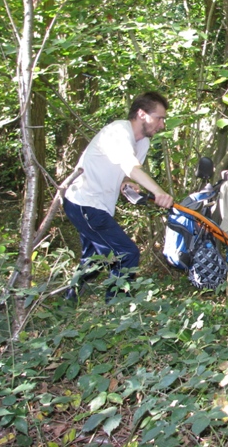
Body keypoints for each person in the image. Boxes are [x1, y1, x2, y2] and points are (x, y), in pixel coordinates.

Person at [63, 91, 174, 302]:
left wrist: (125, 184)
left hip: (93, 204)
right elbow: (131, 167)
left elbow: (125, 173)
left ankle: (69, 302)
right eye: (159, 118)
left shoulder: (142, 143)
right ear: (142, 114)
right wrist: (158, 192)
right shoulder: (118, 132)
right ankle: (115, 306)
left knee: (95, 260)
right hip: (84, 203)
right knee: (127, 253)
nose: (162, 125)